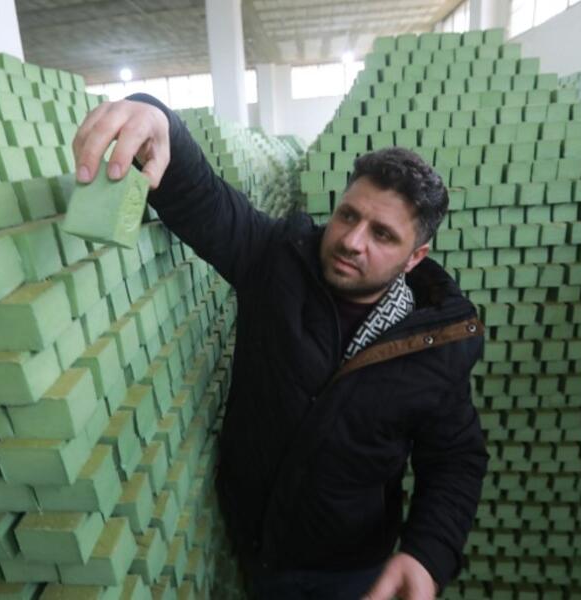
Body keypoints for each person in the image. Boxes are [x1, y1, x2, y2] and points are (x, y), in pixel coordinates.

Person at [72, 93, 489, 600]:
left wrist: (427, 554)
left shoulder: (432, 344)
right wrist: (154, 116)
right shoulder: (274, 261)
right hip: (254, 549)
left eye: (382, 234)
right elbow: (203, 198)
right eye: (348, 215)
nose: (353, 241)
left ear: (414, 257)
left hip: (352, 571)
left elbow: (455, 459)